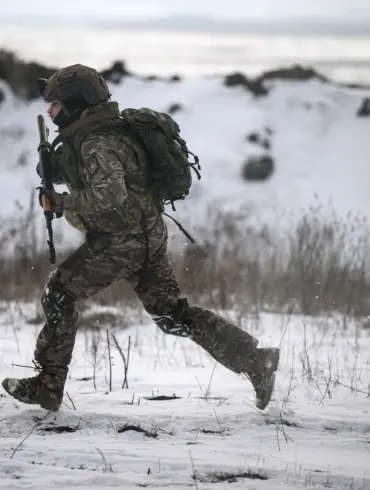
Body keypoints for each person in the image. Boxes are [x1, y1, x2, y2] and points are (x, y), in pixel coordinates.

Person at [2, 64, 279, 412]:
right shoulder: (109, 132)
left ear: (75, 102)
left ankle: (48, 384)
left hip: (120, 243)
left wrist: (61, 202)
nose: (50, 111)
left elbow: (110, 195)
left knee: (59, 293)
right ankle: (256, 361)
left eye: (56, 105)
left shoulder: (96, 142)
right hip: (148, 236)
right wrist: (53, 168)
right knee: (172, 314)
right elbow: (110, 177)